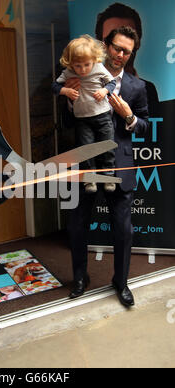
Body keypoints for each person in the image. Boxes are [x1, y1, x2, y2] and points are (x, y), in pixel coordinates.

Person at [66, 26, 149, 307]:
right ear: (106, 45)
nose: (120, 55)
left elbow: (146, 127)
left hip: (120, 165)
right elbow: (66, 124)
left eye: (127, 51)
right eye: (116, 48)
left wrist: (129, 116)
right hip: (86, 163)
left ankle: (121, 281)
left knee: (123, 229)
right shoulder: (80, 74)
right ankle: (80, 278)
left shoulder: (137, 87)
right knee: (78, 225)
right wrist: (70, 102)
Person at [52, 34, 116, 194]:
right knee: (85, 149)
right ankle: (89, 178)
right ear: (71, 63)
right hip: (82, 119)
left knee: (107, 145)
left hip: (102, 115)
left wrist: (104, 90)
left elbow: (112, 82)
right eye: (77, 66)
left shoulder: (99, 67)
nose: (82, 70)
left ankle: (109, 173)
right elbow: (54, 86)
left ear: (94, 59)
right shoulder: (68, 72)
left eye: (86, 65)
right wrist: (65, 90)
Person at [95, 2, 159, 117]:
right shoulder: (87, 82)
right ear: (102, 44)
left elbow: (152, 129)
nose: (120, 45)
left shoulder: (147, 89)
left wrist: (129, 117)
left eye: (128, 36)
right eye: (112, 39)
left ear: (137, 43)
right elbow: (69, 122)